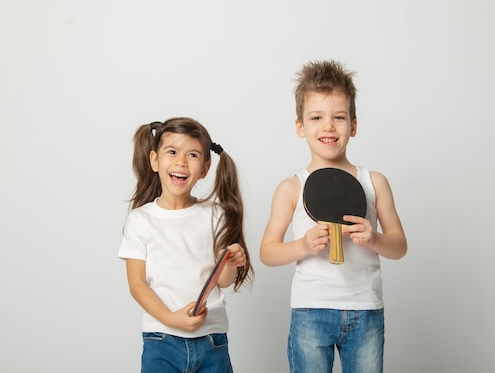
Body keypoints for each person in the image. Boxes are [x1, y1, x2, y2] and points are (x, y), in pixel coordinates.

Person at [260, 60, 408, 373]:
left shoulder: (374, 182)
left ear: (353, 125)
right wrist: (302, 245)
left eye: (338, 117)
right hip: (310, 309)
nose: (328, 126)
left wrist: (375, 238)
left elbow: (399, 246)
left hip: (365, 310)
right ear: (300, 126)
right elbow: (268, 251)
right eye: (316, 117)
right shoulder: (291, 187)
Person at [118, 117, 253, 373]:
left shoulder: (215, 215)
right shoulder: (140, 220)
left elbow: (223, 281)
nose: (181, 161)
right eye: (172, 152)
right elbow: (137, 285)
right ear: (155, 160)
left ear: (204, 168)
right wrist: (171, 319)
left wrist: (231, 260)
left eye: (192, 155)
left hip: (212, 342)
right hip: (161, 341)